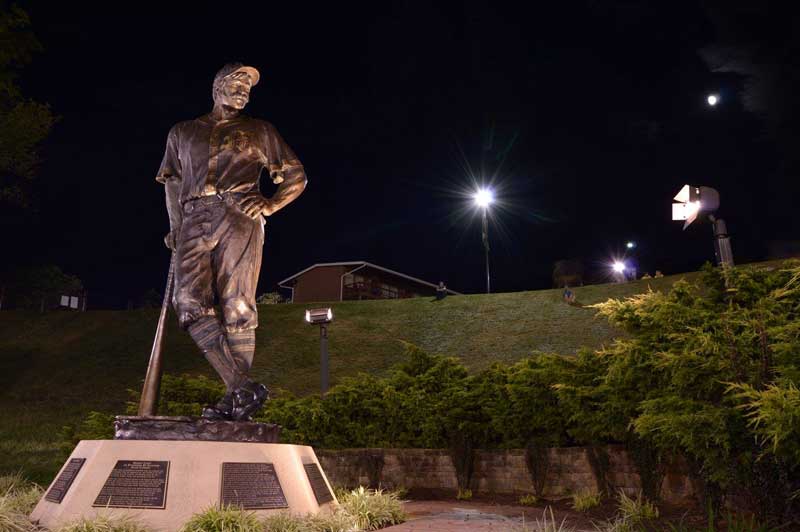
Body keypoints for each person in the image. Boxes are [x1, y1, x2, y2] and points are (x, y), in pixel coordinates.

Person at [156, 63, 307, 421]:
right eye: (236, 83)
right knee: (187, 301)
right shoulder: (183, 131)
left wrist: (270, 203)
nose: (243, 90)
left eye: (248, 86)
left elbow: (297, 176)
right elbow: (173, 183)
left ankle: (234, 399)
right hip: (193, 217)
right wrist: (176, 228)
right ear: (216, 87)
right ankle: (241, 385)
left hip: (239, 216)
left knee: (238, 303)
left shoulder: (260, 130)